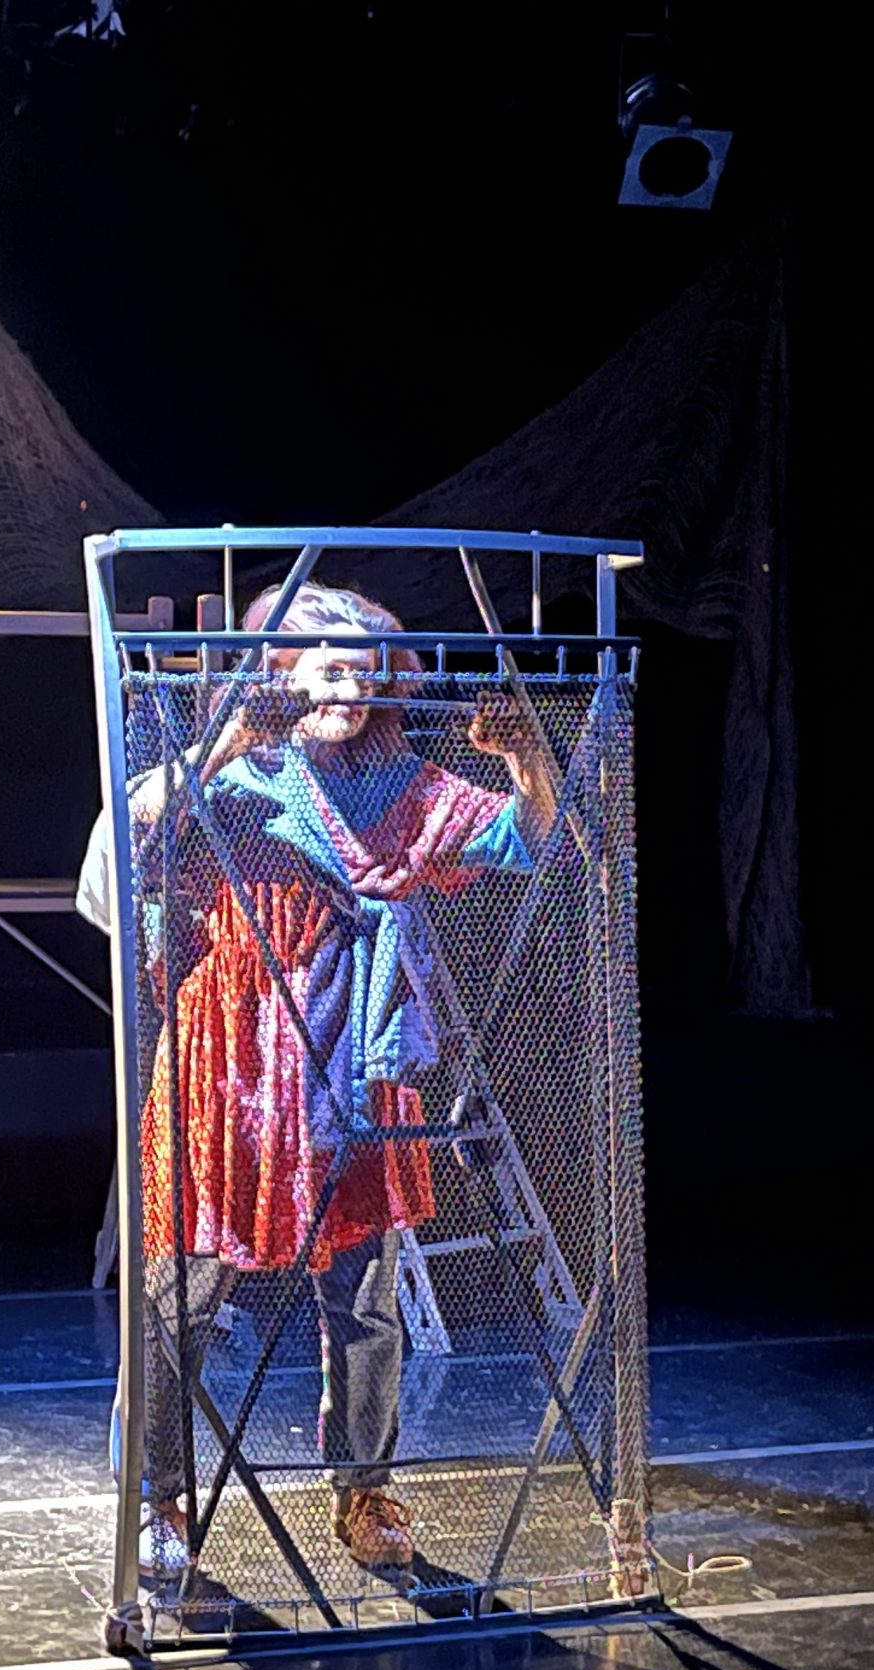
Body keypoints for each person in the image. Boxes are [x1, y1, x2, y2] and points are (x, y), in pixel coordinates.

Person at [78, 582, 555, 1583]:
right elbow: (128, 847)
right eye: (327, 667)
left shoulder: (404, 788)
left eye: (364, 671)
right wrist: (225, 741)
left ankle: (364, 1490)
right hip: (232, 1069)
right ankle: (160, 1497)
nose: (347, 688)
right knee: (176, 1301)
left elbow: (526, 837)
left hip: (353, 1066)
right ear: (282, 671)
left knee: (367, 1303)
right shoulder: (239, 773)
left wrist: (522, 757)